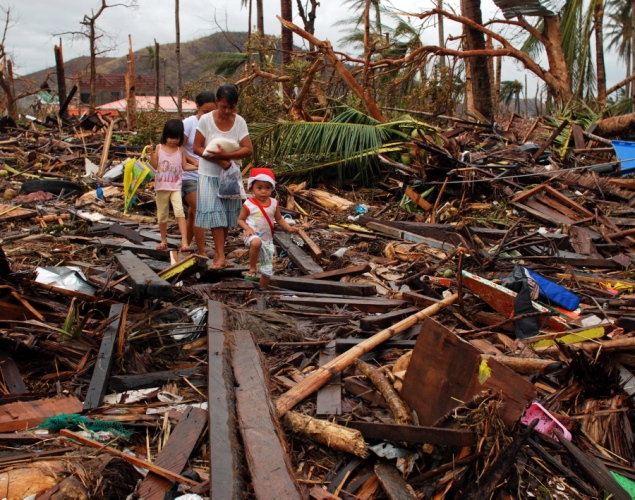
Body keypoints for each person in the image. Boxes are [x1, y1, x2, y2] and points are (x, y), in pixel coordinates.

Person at [193, 85, 253, 269]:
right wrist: (219, 160)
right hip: (208, 174)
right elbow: (197, 147)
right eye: (223, 106)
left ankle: (220, 255)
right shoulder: (206, 120)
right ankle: (220, 256)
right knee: (215, 213)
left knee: (225, 215)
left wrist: (228, 156)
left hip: (230, 175)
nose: (227, 111)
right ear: (217, 102)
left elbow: (248, 149)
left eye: (231, 107)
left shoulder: (239, 122)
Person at [237, 168, 298, 289]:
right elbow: (240, 220)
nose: (263, 191)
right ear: (251, 188)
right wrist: (248, 229)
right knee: (256, 242)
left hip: (267, 240)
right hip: (251, 236)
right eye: (259, 188)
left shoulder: (274, 203)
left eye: (267, 188)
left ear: (272, 189)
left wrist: (289, 228)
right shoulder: (249, 204)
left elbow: (279, 219)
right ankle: (252, 268)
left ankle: (262, 290)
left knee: (267, 270)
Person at [149, 119, 193, 252]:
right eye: (171, 137)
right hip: (162, 187)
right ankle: (163, 240)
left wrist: (199, 166)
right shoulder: (159, 148)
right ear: (165, 135)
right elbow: (155, 166)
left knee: (179, 212)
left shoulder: (180, 150)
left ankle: (184, 242)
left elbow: (185, 166)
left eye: (176, 138)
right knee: (162, 215)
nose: (173, 141)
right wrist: (151, 154)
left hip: (175, 187)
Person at [182, 91, 216, 253]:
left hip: (207, 175)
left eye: (212, 112)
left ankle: (185, 246)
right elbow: (178, 148)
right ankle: (201, 251)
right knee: (200, 210)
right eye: (205, 112)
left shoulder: (215, 125)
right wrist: (193, 161)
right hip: (188, 175)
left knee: (193, 213)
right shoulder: (189, 124)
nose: (208, 116)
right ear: (197, 107)